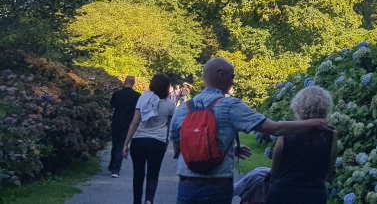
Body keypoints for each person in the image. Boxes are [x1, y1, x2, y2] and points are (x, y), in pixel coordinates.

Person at [170, 58, 332, 204]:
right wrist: (313, 123)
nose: (233, 81)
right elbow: (274, 128)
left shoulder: (184, 107)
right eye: (232, 76)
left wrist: (228, 149)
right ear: (220, 75)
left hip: (186, 184)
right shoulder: (230, 105)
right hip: (216, 185)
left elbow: (179, 145)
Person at [266, 86, 338, 204]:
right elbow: (329, 169)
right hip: (315, 194)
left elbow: (275, 168)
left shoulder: (288, 131)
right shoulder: (331, 134)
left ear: (299, 106)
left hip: (283, 192)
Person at [122, 74, 176, 204]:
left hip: (139, 140)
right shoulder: (170, 104)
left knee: (138, 174)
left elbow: (135, 122)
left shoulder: (143, 99)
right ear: (167, 88)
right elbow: (172, 126)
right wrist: (175, 146)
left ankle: (137, 201)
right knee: (153, 174)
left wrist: (126, 143)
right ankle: (149, 199)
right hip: (158, 141)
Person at [109, 75, 140, 178]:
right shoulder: (137, 96)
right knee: (122, 145)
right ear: (133, 83)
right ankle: (116, 169)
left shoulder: (117, 94)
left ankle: (112, 165)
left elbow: (112, 105)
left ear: (124, 82)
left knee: (115, 143)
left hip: (116, 121)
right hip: (128, 123)